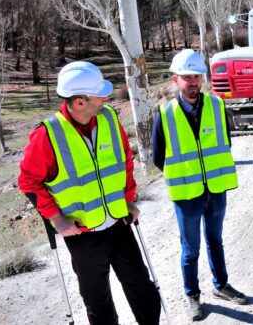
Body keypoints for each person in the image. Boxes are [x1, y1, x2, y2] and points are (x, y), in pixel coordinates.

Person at [18, 61, 161, 325]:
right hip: (84, 236)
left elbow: (124, 162)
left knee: (144, 291)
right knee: (99, 305)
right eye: (99, 94)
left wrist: (129, 199)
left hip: (119, 223)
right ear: (80, 101)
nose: (105, 97)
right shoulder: (46, 135)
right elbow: (28, 181)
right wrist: (56, 218)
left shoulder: (108, 119)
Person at [151, 49, 246, 321]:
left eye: (197, 76)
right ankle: (192, 295)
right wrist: (186, 176)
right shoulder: (165, 114)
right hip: (187, 195)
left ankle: (221, 285)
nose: (193, 81)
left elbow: (224, 142)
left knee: (215, 241)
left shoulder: (217, 106)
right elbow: (159, 157)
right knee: (190, 250)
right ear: (175, 79)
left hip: (215, 190)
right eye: (186, 77)